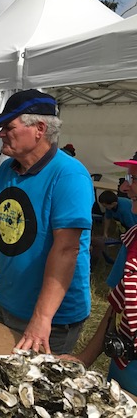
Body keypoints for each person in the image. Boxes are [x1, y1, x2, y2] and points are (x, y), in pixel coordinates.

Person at [0, 89, 93, 355]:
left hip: (52, 318)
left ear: (39, 129)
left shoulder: (69, 175)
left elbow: (67, 249)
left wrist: (43, 317)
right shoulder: (6, 170)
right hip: (9, 301)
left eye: (8, 127)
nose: (0, 134)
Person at [60, 153, 137, 395]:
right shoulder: (133, 240)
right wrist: (84, 358)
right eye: (127, 178)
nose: (125, 187)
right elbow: (116, 307)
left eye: (133, 179)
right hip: (124, 369)